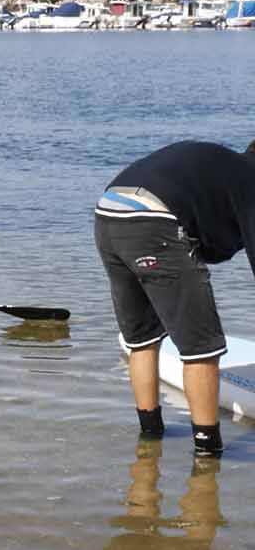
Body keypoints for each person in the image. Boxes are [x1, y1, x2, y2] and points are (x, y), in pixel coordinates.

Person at [94, 139, 255, 457]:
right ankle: (208, 453)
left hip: (107, 213)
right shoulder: (250, 182)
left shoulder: (222, 164)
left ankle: (150, 436)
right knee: (202, 347)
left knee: (142, 339)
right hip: (153, 221)